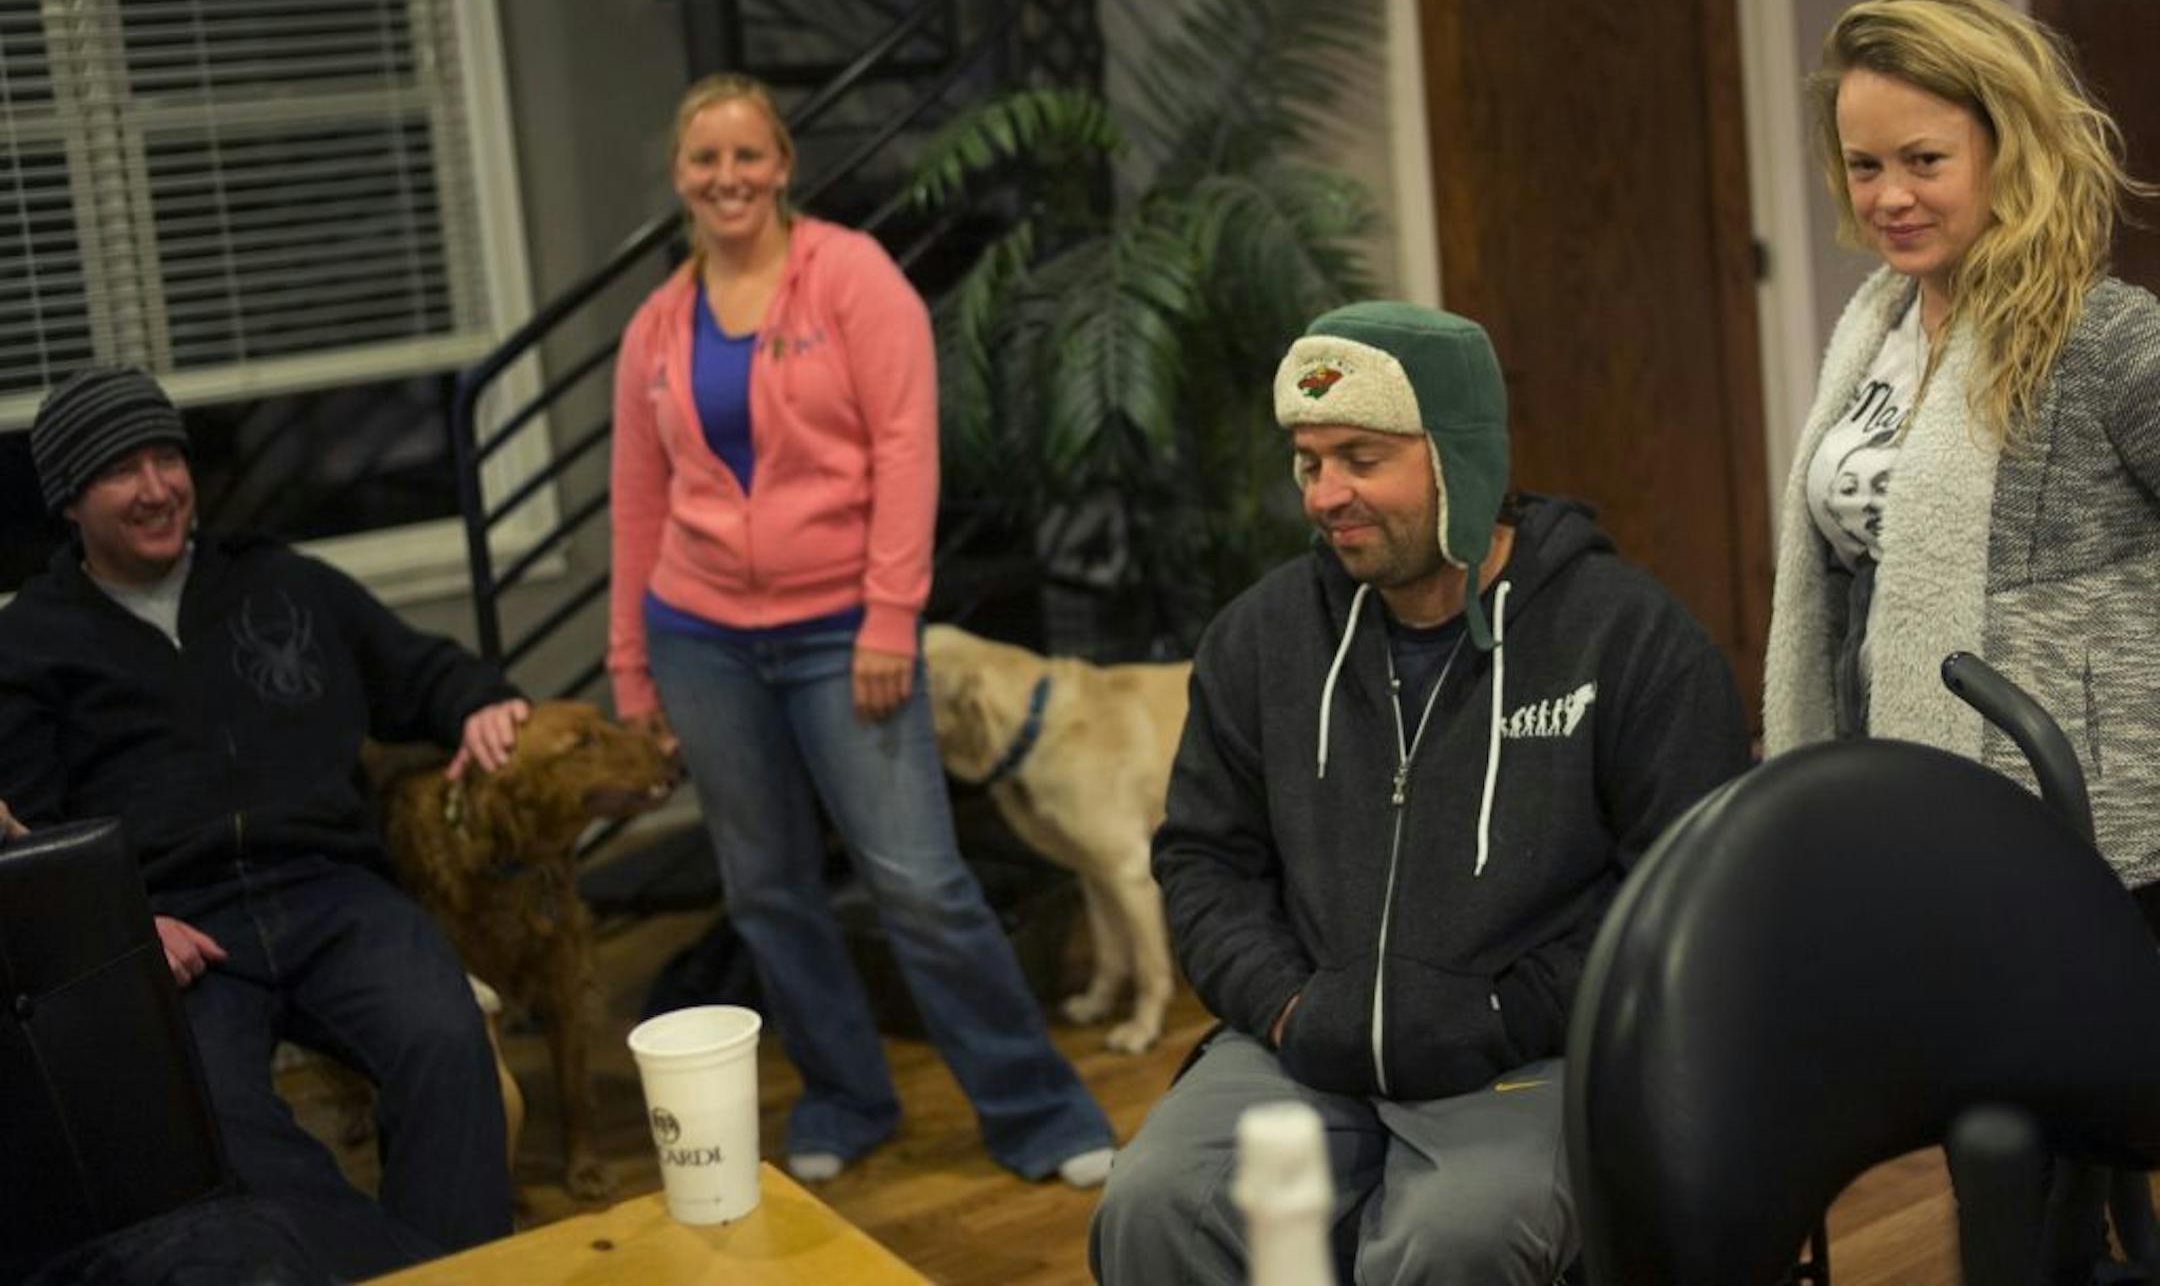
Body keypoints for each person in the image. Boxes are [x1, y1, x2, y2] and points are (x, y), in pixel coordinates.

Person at [1089, 302, 1751, 1284]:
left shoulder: (1630, 639)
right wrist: (1284, 1004)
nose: (1326, 493)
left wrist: (1504, 1011)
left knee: (1459, 1235)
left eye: (1361, 455)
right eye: (1310, 461)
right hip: (1305, 1043)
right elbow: (1204, 858)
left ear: (1461, 452)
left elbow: (1685, 890)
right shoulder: (1261, 638)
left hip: (1535, 1054)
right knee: (1152, 1201)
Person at [607, 73, 1114, 1187]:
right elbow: (637, 502)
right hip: (699, 635)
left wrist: (891, 615)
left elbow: (906, 450)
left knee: (922, 881)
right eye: (706, 160)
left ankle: (1041, 1112)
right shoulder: (656, 324)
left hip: (845, 627)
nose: (728, 177)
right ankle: (846, 1092)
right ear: (681, 178)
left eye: (749, 156)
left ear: (783, 165)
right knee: (766, 888)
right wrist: (633, 671)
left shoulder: (852, 279)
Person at [0, 366, 530, 1280]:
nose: (160, 486)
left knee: (444, 1042)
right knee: (213, 1122)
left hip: (334, 890)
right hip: (173, 927)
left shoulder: (284, 582)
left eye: (170, 457)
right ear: (70, 501)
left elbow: (421, 671)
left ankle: (452, 1272)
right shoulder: (29, 642)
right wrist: (121, 931)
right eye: (124, 469)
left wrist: (484, 703)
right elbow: (34, 845)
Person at [1763, 0, 2160, 905]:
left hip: (2077, 835)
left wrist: (2103, 698)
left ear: (2008, 151)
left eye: (1925, 160)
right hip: (1886, 785)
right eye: (1864, 166)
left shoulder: (2102, 336)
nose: (1889, 197)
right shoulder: (1876, 325)